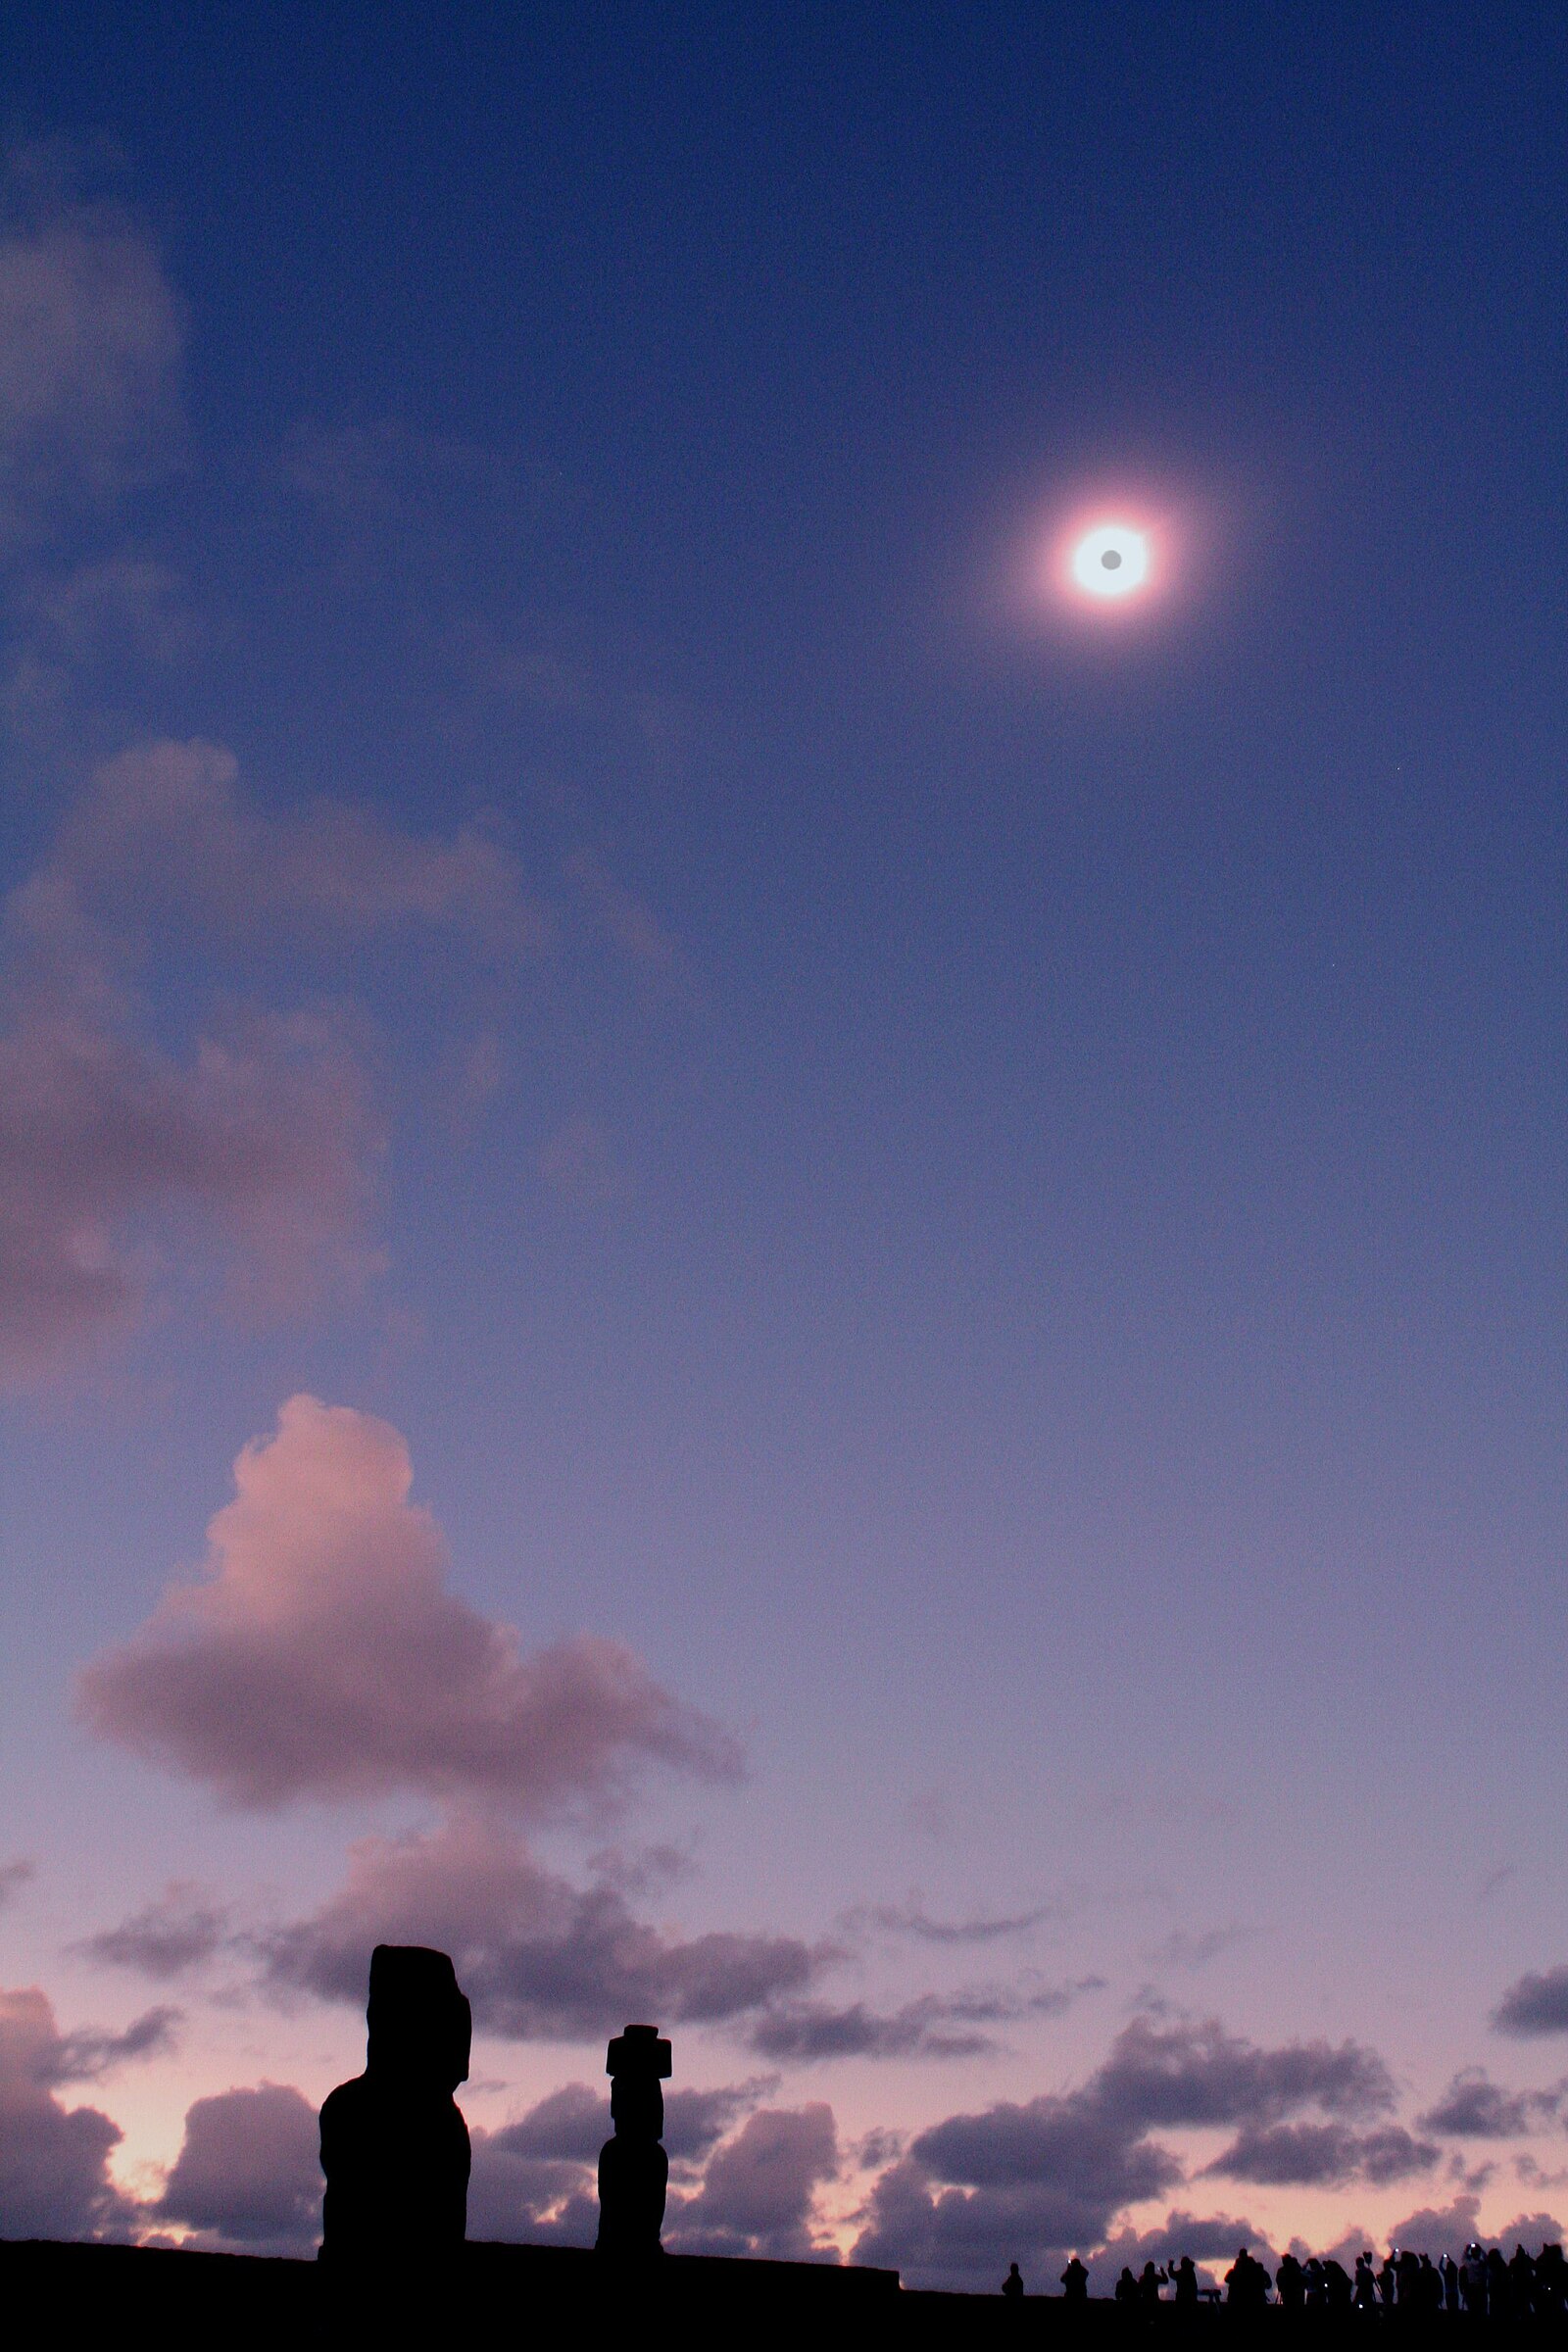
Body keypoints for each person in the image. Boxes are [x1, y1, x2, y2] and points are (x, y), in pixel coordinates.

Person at [1225, 2247, 1268, 2311]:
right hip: (1247, 2296)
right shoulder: (1252, 2266)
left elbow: (1227, 2279)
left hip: (1242, 2296)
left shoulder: (1237, 2268)